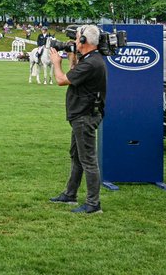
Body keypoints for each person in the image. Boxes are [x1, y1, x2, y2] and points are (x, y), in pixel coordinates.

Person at [48, 24, 107, 215]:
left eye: (77, 37)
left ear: (84, 41)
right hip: (80, 115)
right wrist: (72, 58)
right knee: (76, 156)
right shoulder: (90, 59)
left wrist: (56, 62)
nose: (74, 41)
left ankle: (93, 204)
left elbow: (61, 80)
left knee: (88, 160)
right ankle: (70, 194)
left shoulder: (92, 63)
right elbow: (74, 75)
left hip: (85, 116)